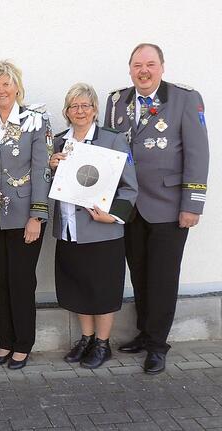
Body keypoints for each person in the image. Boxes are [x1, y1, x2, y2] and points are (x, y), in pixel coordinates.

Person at [103, 43, 209, 374]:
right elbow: (111, 150)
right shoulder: (118, 101)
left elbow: (197, 154)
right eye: (137, 65)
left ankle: (158, 345)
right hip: (130, 207)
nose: (143, 71)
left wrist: (192, 204)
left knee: (163, 278)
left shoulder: (184, 99)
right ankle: (144, 333)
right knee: (140, 275)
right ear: (130, 68)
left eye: (150, 64)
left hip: (168, 207)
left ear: (162, 66)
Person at [49, 83, 138, 368]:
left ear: (95, 109)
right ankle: (86, 339)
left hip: (102, 230)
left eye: (85, 105)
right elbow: (50, 186)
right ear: (66, 111)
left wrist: (111, 216)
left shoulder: (112, 141)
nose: (80, 111)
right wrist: (50, 166)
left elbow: (130, 188)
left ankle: (103, 343)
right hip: (69, 229)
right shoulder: (60, 142)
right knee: (78, 287)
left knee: (102, 288)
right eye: (74, 106)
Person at [0, 60, 52, 369]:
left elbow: (42, 169)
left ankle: (23, 344)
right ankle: (4, 341)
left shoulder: (35, 120)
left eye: (6, 84)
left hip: (24, 215)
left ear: (17, 86)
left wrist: (37, 216)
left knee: (20, 281)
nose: (1, 89)